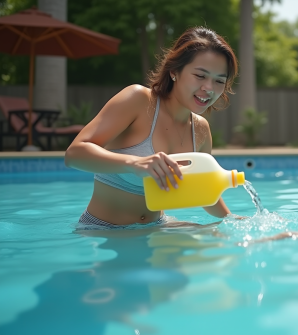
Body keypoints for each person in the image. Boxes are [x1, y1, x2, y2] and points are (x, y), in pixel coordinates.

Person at [65, 27, 238, 229]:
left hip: (156, 228)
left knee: (238, 238)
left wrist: (232, 221)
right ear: (174, 71)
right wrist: (134, 164)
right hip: (103, 229)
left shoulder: (200, 130)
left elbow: (204, 191)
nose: (209, 88)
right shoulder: (138, 100)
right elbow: (74, 154)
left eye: (219, 81)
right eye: (200, 76)